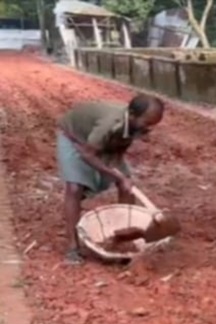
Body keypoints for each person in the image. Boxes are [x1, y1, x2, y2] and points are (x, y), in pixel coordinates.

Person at [56, 94, 165, 264]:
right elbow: (87, 154)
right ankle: (73, 247)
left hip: (104, 143)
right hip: (75, 139)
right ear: (132, 114)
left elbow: (119, 146)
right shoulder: (111, 124)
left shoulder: (135, 124)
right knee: (74, 188)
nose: (149, 129)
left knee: (126, 186)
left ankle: (123, 237)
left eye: (153, 124)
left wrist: (122, 177)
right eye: (147, 123)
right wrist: (116, 175)